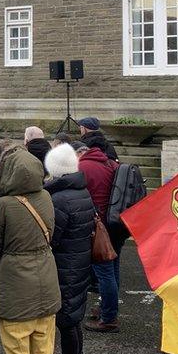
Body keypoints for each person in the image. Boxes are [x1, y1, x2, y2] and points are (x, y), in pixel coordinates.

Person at [0, 146, 61, 354]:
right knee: (43, 349)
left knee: (18, 352)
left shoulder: (6, 204)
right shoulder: (46, 197)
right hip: (47, 278)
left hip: (16, 285)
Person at [43, 144, 95, 354]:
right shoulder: (80, 191)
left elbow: (52, 238)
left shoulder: (59, 198)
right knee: (73, 321)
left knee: (67, 322)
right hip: (78, 264)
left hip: (65, 267)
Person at [79, 141, 121, 333]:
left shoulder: (83, 167)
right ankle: (108, 308)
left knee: (104, 272)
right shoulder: (111, 164)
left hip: (100, 226)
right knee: (113, 270)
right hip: (117, 224)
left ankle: (109, 318)